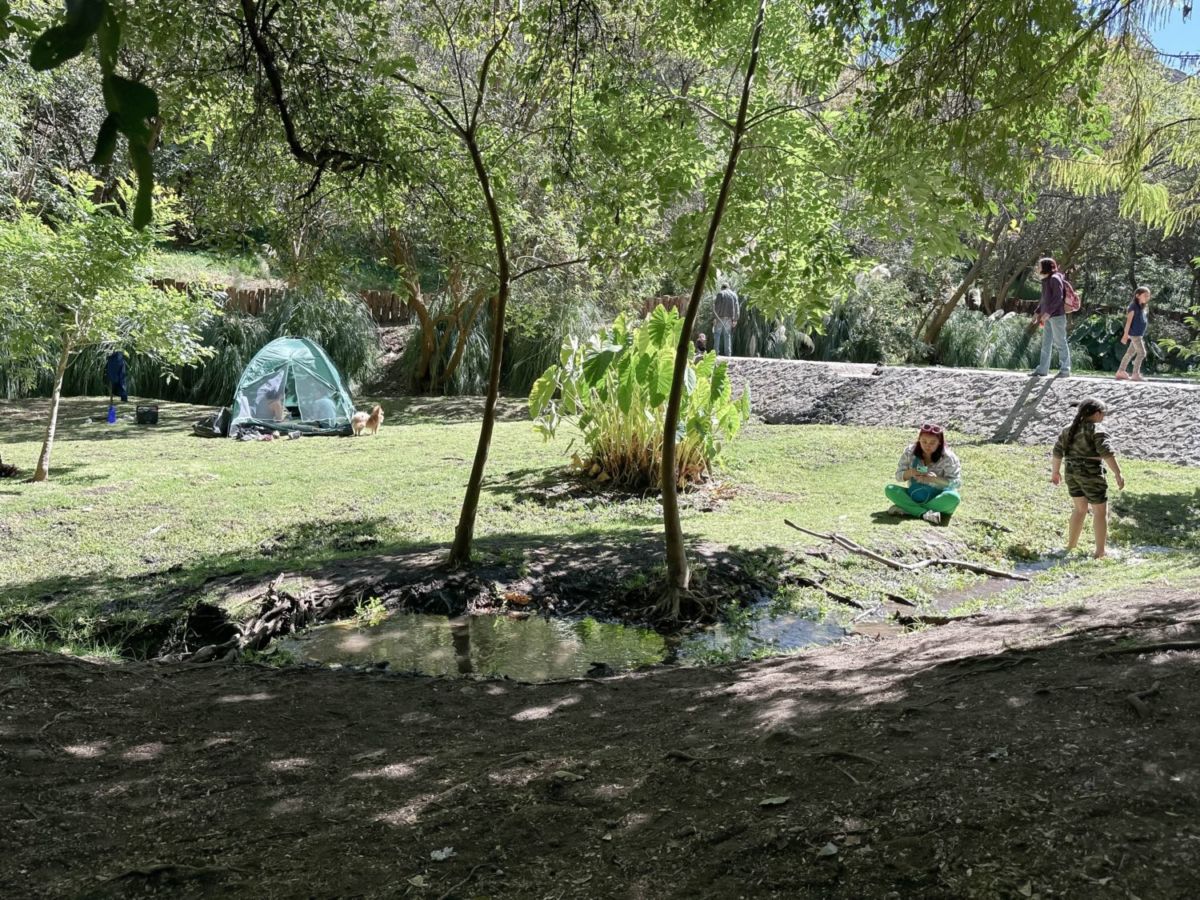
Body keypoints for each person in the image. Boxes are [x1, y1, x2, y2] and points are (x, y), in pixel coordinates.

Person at [1051, 398, 1124, 559]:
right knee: (1100, 512)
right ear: (1097, 413)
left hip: (1071, 472)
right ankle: (1100, 552)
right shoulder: (1097, 430)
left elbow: (1057, 452)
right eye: (1104, 413)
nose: (1104, 417)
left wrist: (1055, 472)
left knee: (1079, 509)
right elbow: (1107, 453)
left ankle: (1071, 546)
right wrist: (1117, 473)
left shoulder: (1068, 429)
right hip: (1091, 473)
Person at [884, 423, 962, 526]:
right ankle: (925, 514)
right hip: (914, 495)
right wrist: (911, 472)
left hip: (938, 498)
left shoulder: (949, 458)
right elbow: (899, 476)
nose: (927, 446)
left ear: (940, 443)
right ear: (919, 439)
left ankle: (909, 510)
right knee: (890, 489)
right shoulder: (910, 452)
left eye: (932, 442)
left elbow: (957, 483)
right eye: (924, 441)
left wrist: (935, 479)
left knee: (953, 498)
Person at [1031, 257, 1071, 378]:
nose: (1037, 268)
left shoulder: (1054, 278)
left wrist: (1048, 312)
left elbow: (1058, 298)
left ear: (1046, 267)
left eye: (1039, 266)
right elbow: (1044, 299)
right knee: (1046, 343)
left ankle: (1065, 370)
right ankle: (1042, 369)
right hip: (1047, 316)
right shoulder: (1046, 280)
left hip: (1057, 316)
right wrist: (1037, 312)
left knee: (1060, 342)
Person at [1115, 286, 1151, 382]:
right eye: (1145, 295)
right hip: (1135, 335)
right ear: (1137, 295)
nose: (1147, 297)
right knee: (1142, 353)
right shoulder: (1133, 307)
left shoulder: (1142, 307)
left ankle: (1120, 371)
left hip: (1138, 335)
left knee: (1130, 353)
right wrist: (1125, 335)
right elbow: (1128, 322)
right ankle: (1135, 374)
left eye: (1148, 296)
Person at [712, 283, 740, 356]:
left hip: (719, 318)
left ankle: (716, 353)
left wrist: (715, 318)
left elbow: (717, 307)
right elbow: (737, 308)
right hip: (730, 318)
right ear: (728, 287)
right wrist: (735, 319)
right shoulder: (734, 295)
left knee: (717, 334)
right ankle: (728, 354)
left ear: (722, 288)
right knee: (727, 335)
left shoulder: (720, 294)